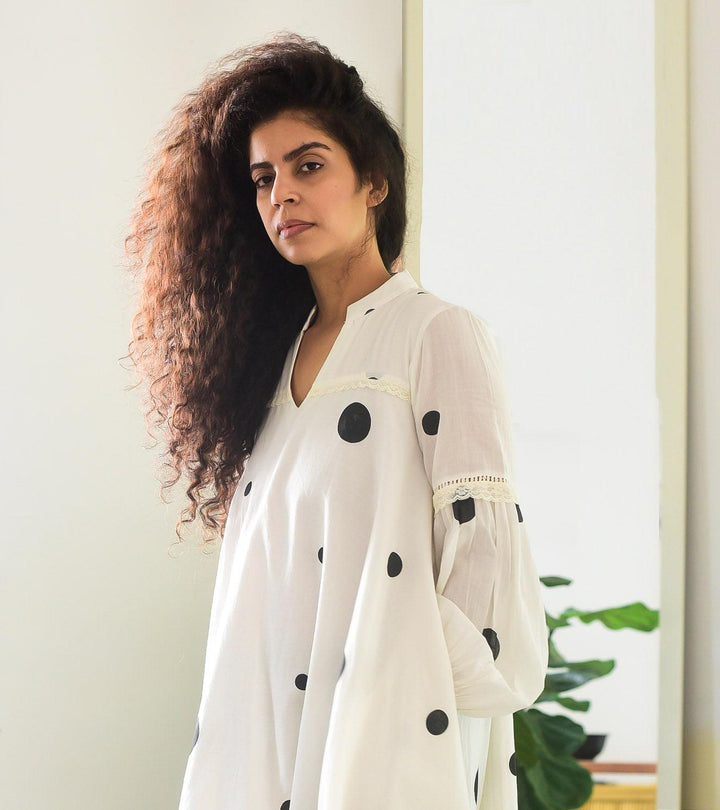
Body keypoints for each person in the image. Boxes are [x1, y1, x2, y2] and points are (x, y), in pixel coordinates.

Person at [123, 31, 548, 810]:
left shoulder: (436, 335)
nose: (281, 195)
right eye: (263, 179)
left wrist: (386, 679)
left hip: (385, 755)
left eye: (308, 166)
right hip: (269, 756)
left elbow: (488, 590)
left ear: (374, 180)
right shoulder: (270, 370)